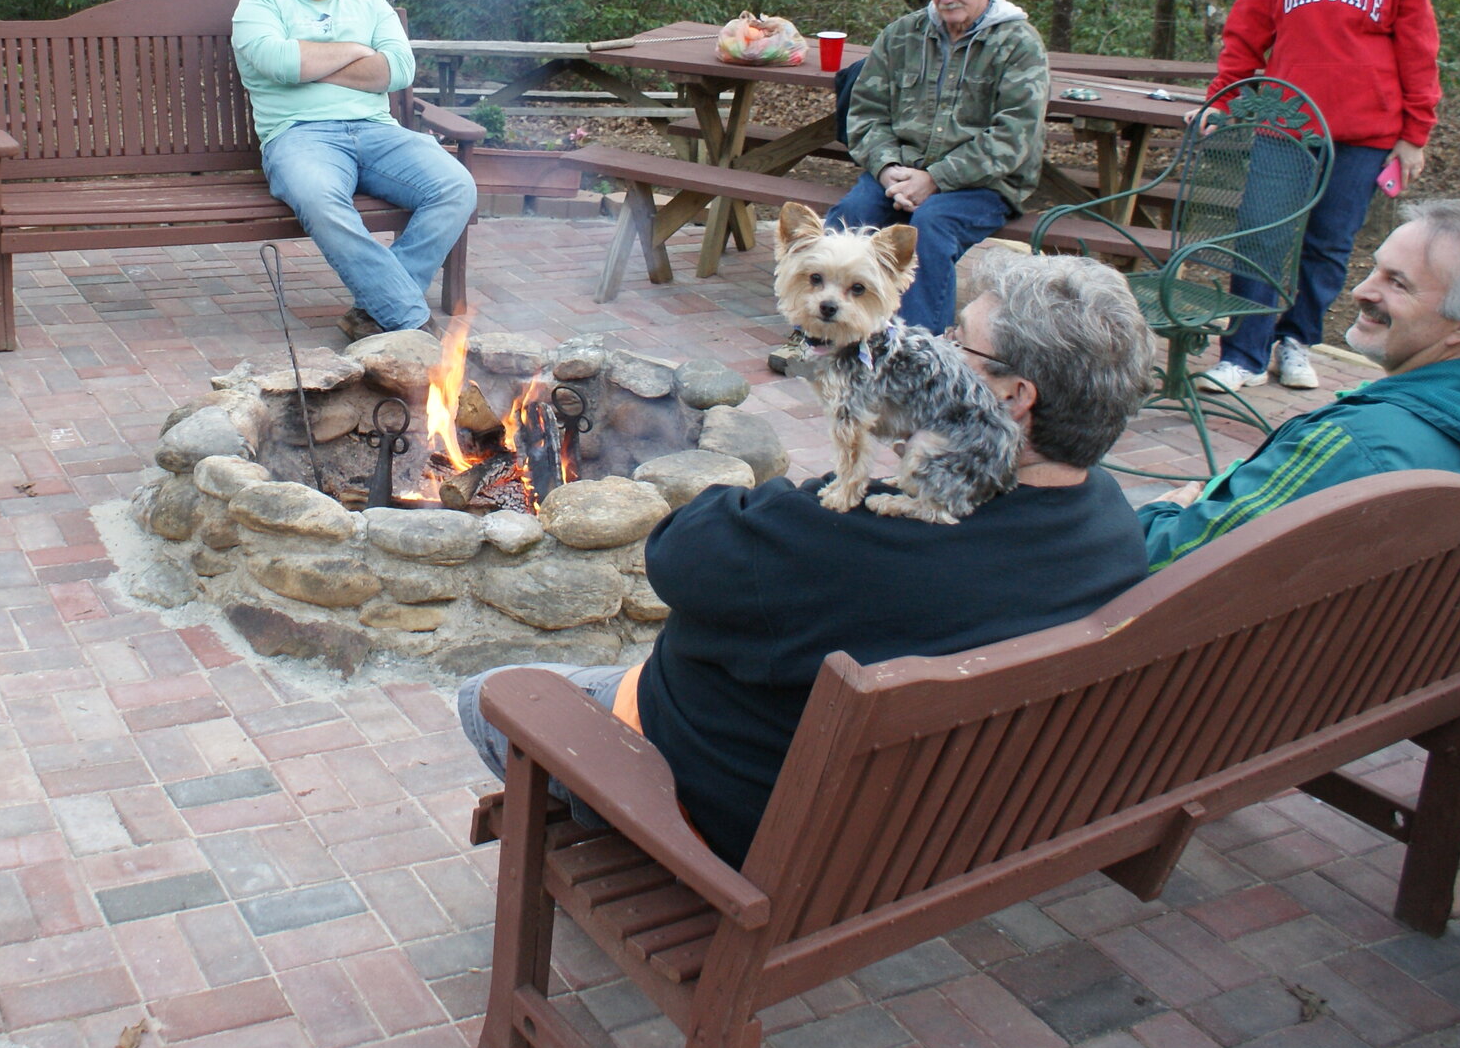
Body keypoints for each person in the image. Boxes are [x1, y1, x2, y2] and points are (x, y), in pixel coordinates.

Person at [460, 254, 1155, 867]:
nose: (931, 349)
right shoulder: (1112, 527)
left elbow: (676, 554)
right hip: (931, 828)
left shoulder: (843, 538)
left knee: (490, 694)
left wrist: (834, 483)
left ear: (1012, 396)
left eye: (955, 342)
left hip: (744, 827)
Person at [1140, 199, 1460, 570]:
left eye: (1398, 283)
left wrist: (1160, 513)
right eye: (1373, 269)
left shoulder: (1355, 447)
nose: (1360, 290)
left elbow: (1174, 561)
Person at [1204, 0, 1442, 394]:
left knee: (1328, 245)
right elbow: (1245, 35)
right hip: (1285, 127)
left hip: (1361, 137)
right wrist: (1222, 99)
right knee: (1261, 236)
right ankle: (1242, 352)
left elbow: (1419, 54)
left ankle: (1296, 342)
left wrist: (1414, 134)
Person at [230, 0, 477, 341]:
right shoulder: (260, 3)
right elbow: (277, 60)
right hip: (299, 137)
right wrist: (358, 50)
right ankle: (409, 319)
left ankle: (372, 310)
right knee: (322, 201)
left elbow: (398, 71)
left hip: (378, 132)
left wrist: (309, 62)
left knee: (457, 186)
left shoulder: (370, 3)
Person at [826, 0, 1050, 332]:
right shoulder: (901, 34)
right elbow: (865, 112)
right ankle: (822, 335)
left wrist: (936, 178)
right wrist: (885, 166)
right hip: (902, 171)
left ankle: (920, 352)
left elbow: (1014, 137)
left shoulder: (1019, 44)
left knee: (929, 228)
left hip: (984, 183)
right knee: (850, 217)